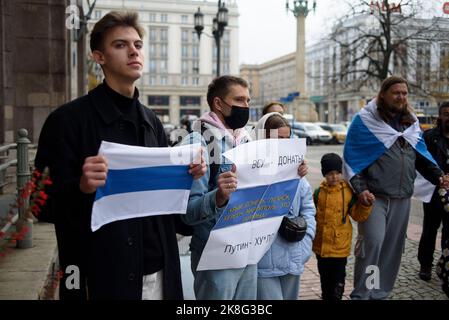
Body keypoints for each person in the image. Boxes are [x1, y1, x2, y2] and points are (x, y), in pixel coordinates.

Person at [34, 11, 205, 300]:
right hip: (102, 276)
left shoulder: (152, 121)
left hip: (160, 272)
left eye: (137, 44)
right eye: (120, 45)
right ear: (99, 57)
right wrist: (82, 186)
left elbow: (168, 212)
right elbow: (40, 205)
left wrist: (186, 180)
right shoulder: (67, 121)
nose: (133, 51)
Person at [181, 77, 307, 300]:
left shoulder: (247, 141)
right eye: (239, 100)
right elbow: (188, 214)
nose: (246, 107)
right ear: (218, 104)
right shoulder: (198, 142)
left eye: (248, 101)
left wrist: (292, 171)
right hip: (215, 254)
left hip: (248, 250)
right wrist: (218, 197)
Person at [344, 76, 449, 300]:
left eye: (404, 93)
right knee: (373, 243)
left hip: (402, 198)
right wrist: (360, 189)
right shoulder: (365, 121)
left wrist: (438, 176)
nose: (401, 97)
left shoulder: (410, 122)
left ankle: (380, 293)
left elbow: (421, 157)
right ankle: (364, 294)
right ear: (383, 94)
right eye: (396, 92)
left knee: (391, 250)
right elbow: (353, 159)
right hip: (375, 197)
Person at [255, 112, 316, 300]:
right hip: (263, 260)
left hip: (293, 254)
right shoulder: (250, 168)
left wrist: (306, 242)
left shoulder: (296, 169)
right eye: (276, 139)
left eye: (285, 138)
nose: (281, 143)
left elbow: (308, 207)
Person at [313, 153, 373, 300]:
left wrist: (366, 205)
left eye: (337, 173)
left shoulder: (348, 192)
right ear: (324, 174)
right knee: (325, 278)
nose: (334, 177)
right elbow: (311, 216)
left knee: (338, 280)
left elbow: (357, 215)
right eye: (330, 174)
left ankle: (336, 296)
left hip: (340, 247)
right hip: (321, 248)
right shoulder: (318, 193)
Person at [417, 101, 449, 281]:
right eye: (446, 114)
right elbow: (421, 161)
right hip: (433, 191)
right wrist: (438, 177)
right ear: (439, 116)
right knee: (429, 229)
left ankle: (445, 264)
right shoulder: (429, 137)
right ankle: (425, 264)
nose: (448, 118)